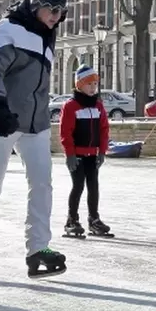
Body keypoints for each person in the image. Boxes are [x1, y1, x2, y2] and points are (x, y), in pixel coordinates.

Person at [0, 0, 68, 280]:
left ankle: (38, 248)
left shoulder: (48, 35)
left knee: (42, 184)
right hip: (4, 119)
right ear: (36, 5)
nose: (55, 16)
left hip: (35, 125)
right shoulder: (7, 29)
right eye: (50, 9)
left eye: (60, 11)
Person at [59, 65, 112, 239]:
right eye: (89, 84)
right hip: (77, 155)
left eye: (95, 84)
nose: (93, 87)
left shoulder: (98, 106)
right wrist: (70, 154)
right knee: (78, 186)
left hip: (92, 155)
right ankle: (71, 219)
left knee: (93, 186)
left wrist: (102, 151)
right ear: (79, 85)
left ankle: (94, 219)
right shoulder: (71, 106)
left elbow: (104, 129)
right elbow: (65, 132)